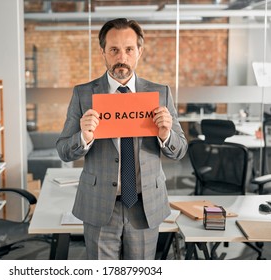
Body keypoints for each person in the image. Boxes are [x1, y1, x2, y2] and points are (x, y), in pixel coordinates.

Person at [56, 18, 188, 260]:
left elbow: (179, 151)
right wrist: (83, 137)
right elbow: (64, 150)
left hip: (145, 204)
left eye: (129, 49)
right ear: (103, 53)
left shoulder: (160, 93)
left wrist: (166, 134)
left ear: (139, 51)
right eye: (114, 50)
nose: (122, 57)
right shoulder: (84, 94)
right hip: (99, 205)